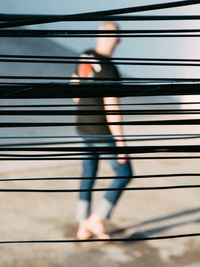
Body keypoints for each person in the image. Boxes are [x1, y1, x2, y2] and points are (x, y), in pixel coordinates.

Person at [71, 22, 133, 239]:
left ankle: (82, 225)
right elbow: (112, 107)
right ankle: (97, 219)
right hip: (101, 132)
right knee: (125, 173)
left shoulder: (85, 55)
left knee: (88, 174)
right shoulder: (110, 69)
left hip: (82, 127)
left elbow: (74, 87)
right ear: (118, 40)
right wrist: (121, 144)